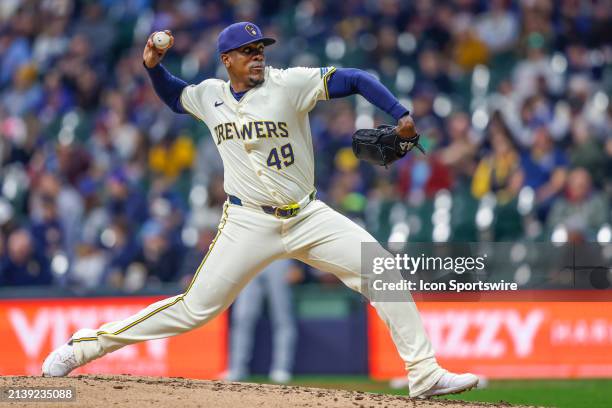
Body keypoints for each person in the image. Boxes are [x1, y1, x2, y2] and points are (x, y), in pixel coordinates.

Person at [43, 22, 478, 398]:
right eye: (248, 52)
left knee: (379, 269)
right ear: (226, 59)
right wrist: (153, 67)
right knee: (195, 309)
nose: (258, 57)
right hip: (247, 219)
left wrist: (400, 113)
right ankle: (82, 348)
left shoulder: (288, 83)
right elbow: (175, 96)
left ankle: (423, 373)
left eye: (261, 50)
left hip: (308, 216)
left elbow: (355, 78)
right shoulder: (210, 95)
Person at [225, 259, 298, 384]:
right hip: (252, 258)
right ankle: (237, 369)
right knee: (242, 317)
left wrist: (296, 264)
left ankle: (282, 368)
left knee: (282, 318)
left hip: (279, 258)